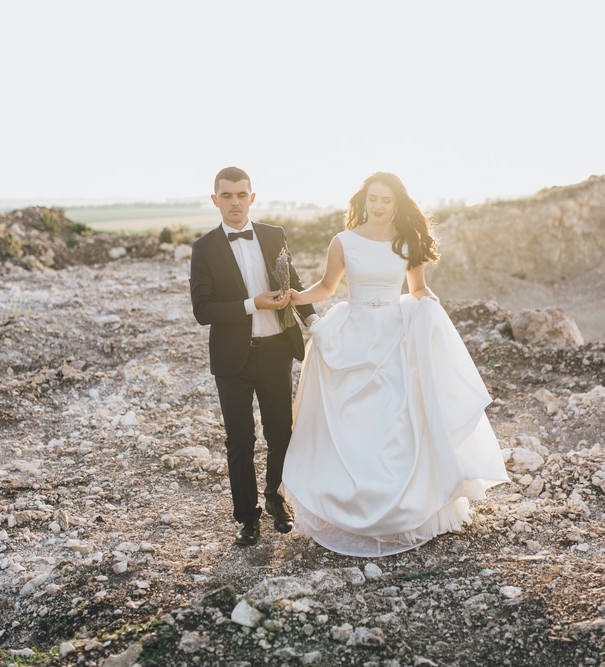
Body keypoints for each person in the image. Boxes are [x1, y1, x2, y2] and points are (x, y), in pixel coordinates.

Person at [282, 172, 509, 557]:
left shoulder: (408, 242)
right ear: (364, 199)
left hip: (393, 335)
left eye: (386, 199)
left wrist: (430, 306)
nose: (379, 205)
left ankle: (405, 509)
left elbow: (416, 288)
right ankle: (344, 506)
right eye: (373, 197)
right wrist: (295, 294)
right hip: (352, 333)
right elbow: (327, 287)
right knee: (352, 420)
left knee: (395, 419)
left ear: (397, 202)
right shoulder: (343, 241)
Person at [190, 166, 317, 546]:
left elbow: (292, 283)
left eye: (241, 195)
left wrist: (316, 322)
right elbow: (203, 310)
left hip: (277, 350)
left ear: (252, 197)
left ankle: (276, 499)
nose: (234, 202)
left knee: (282, 433)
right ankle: (247, 518)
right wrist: (251, 304)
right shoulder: (204, 248)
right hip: (233, 359)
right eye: (226, 196)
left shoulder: (273, 234)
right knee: (240, 440)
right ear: (215, 200)